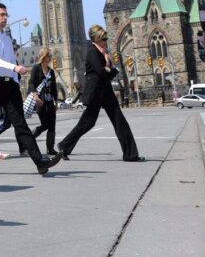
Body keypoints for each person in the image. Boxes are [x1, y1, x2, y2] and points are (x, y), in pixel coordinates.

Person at [0, 3, 61, 176]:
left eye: (6, 15)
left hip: (8, 85)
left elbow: (12, 60)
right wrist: (14, 69)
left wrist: (14, 81)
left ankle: (40, 161)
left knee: (20, 122)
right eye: (2, 15)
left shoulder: (6, 39)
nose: (5, 18)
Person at [57, 25, 144, 162]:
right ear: (96, 38)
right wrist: (109, 70)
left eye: (106, 38)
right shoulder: (92, 51)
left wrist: (109, 68)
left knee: (120, 121)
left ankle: (130, 154)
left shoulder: (104, 52)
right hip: (95, 92)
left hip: (106, 90)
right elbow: (102, 72)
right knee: (87, 123)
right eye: (103, 38)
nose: (105, 40)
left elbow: (107, 73)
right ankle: (64, 145)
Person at [29, 48, 58, 156]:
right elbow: (31, 83)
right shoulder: (36, 68)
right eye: (47, 56)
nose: (49, 58)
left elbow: (54, 88)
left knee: (52, 125)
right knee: (45, 124)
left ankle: (50, 148)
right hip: (40, 100)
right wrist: (35, 96)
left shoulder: (51, 71)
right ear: (42, 56)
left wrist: (56, 102)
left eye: (50, 56)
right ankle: (30, 138)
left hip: (50, 100)